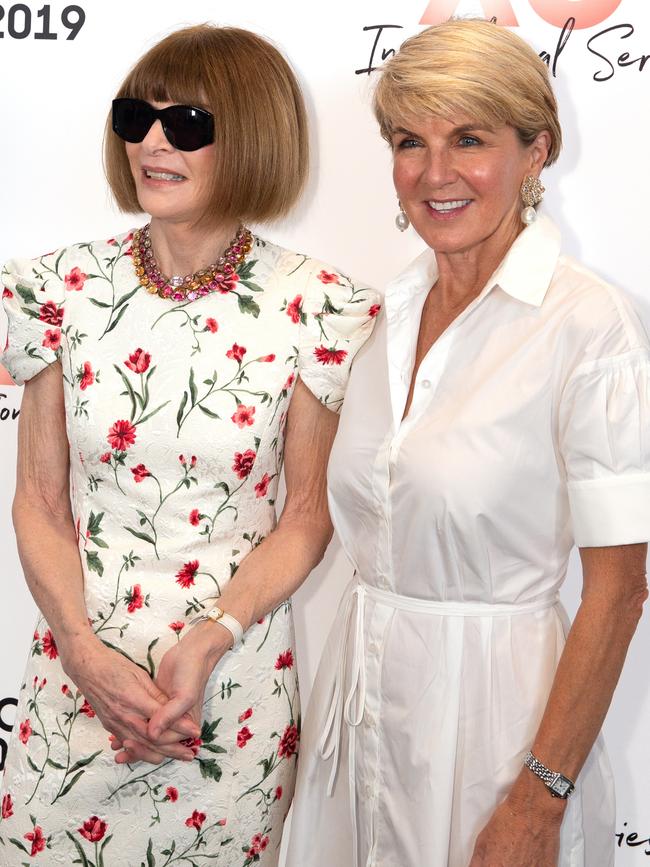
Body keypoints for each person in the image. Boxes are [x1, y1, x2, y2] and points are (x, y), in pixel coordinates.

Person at [0, 24, 378, 865]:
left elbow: (306, 516)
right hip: (76, 678)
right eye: (136, 116)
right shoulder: (56, 288)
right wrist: (83, 655)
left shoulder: (319, 305)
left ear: (251, 137)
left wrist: (212, 637)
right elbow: (37, 500)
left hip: (227, 692)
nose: (152, 141)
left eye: (188, 123)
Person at [286, 18, 650, 867]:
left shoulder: (590, 325)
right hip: (361, 712)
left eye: (470, 139)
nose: (435, 173)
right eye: (410, 141)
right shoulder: (387, 312)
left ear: (536, 151)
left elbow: (621, 588)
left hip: (498, 727)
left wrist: (538, 797)